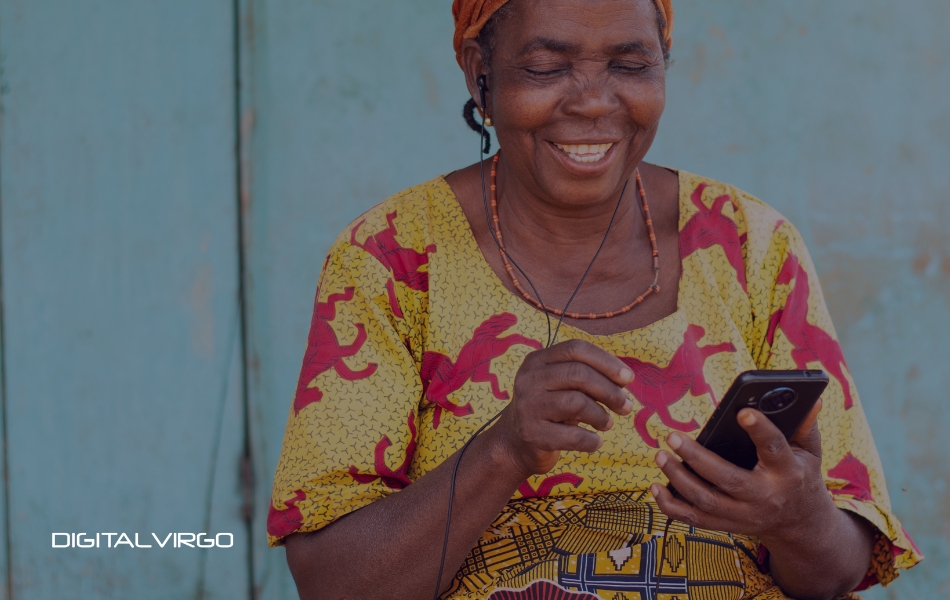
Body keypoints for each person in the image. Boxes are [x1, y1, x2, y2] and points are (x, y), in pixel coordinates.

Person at [267, 1, 922, 598]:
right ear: (479, 74)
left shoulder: (751, 245)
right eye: (547, 66)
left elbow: (837, 571)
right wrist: (505, 450)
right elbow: (335, 586)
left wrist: (798, 518)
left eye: (630, 64)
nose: (592, 102)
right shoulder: (392, 256)